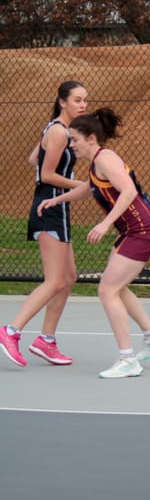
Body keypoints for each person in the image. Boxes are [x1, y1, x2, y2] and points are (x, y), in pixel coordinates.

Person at [36, 108, 150, 379]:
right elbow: (90, 188)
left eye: (74, 139)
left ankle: (127, 359)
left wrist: (105, 223)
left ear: (90, 138)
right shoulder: (97, 161)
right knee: (117, 288)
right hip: (134, 230)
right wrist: (56, 200)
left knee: (107, 290)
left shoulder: (106, 158)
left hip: (143, 230)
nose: (71, 144)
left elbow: (129, 191)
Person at [1, 81, 89, 368]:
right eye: (77, 100)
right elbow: (46, 174)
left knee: (69, 277)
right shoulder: (57, 131)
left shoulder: (59, 132)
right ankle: (10, 331)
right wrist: (81, 184)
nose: (83, 105)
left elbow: (33, 159)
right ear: (62, 101)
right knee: (54, 280)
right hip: (48, 208)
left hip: (58, 209)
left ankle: (46, 341)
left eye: (85, 100)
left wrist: (47, 147)